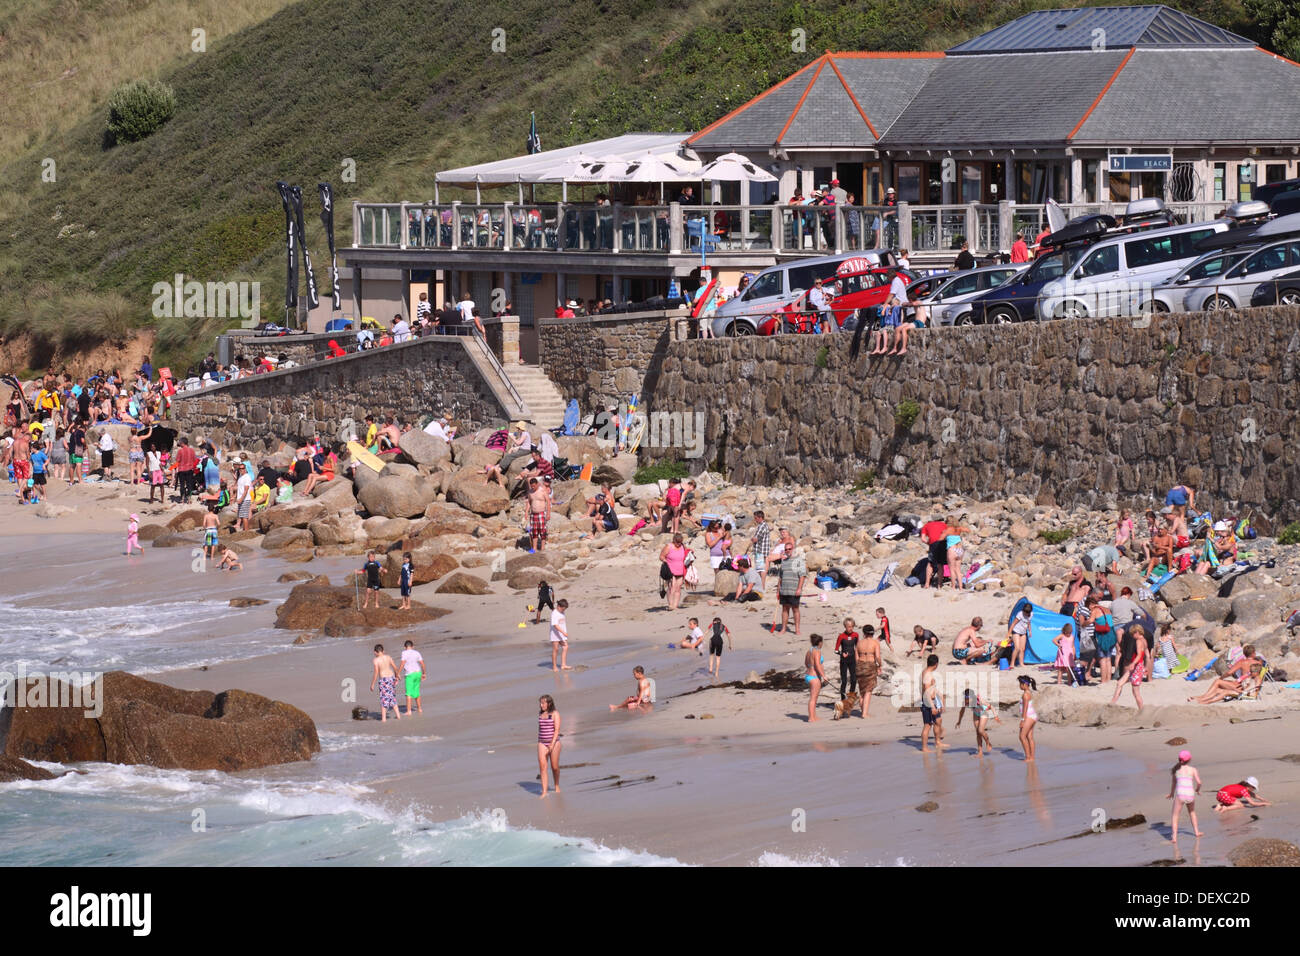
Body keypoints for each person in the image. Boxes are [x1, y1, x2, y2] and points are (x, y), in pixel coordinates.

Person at [1167, 750, 1203, 841]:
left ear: (1179, 759)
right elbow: (1199, 782)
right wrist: (1197, 790)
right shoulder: (1193, 769)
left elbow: (1174, 783)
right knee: (1192, 812)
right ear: (1189, 759)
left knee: (1175, 815)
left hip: (1180, 794)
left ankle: (1174, 836)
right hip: (1190, 794)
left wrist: (1171, 793)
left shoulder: (1176, 770)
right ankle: (1196, 832)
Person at [956, 687, 1001, 757]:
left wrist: (996, 716)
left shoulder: (979, 700)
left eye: (967, 699)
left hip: (983, 713)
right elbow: (961, 712)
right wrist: (959, 721)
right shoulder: (965, 702)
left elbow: (991, 706)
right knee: (978, 733)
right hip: (976, 714)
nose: (966, 701)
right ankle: (980, 752)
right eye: (965, 698)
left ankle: (988, 742)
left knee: (981, 730)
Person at [1111, 626, 1148, 708]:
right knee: (1120, 683)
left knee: (1136, 692)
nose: (1132, 636)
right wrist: (1146, 666)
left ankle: (1142, 710)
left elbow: (1139, 655)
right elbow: (1146, 655)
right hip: (1138, 666)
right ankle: (1112, 703)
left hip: (1136, 667)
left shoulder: (1139, 641)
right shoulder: (1144, 640)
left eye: (1133, 634)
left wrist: (1133, 663)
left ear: (1137, 632)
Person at [773, 546, 806, 635]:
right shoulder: (783, 562)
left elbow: (802, 576)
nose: (788, 551)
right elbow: (780, 577)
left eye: (789, 549)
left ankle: (797, 629)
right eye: (786, 549)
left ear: (793, 549)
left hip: (794, 590)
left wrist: (799, 588)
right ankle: (783, 629)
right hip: (784, 590)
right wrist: (778, 590)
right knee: (784, 609)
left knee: (795, 609)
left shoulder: (798, 560)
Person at [920, 654, 946, 751]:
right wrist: (932, 707)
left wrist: (940, 698)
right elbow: (927, 692)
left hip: (934, 701)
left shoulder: (926, 672)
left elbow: (931, 688)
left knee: (938, 721)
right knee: (927, 725)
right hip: (928, 703)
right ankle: (924, 747)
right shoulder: (927, 675)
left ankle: (938, 742)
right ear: (936, 664)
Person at [537, 695, 562, 798]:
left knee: (554, 767)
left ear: (549, 703)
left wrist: (552, 744)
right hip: (542, 742)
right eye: (540, 703)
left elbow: (557, 730)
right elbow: (541, 729)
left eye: (543, 703)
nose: (541, 705)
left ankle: (556, 785)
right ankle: (544, 791)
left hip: (554, 742)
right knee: (543, 767)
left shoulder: (555, 713)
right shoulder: (540, 713)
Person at [370, 644, 402, 722]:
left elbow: (376, 672)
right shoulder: (388, 657)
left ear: (375, 652)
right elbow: (395, 667)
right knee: (392, 697)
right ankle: (398, 716)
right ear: (383, 651)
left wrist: (373, 684)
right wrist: (397, 676)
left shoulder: (376, 660)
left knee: (384, 699)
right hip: (391, 678)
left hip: (384, 680)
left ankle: (384, 719)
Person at [855, 625, 882, 717]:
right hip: (870, 666)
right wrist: (880, 665)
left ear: (864, 633)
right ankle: (864, 713)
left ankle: (863, 711)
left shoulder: (859, 643)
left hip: (860, 666)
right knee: (868, 690)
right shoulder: (875, 643)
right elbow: (877, 656)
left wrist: (859, 666)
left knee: (862, 690)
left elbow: (856, 658)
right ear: (873, 633)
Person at [660, 533, 690, 611]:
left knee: (678, 588)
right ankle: (671, 605)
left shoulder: (683, 546)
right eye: (677, 542)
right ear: (674, 540)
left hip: (680, 570)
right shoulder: (669, 546)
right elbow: (661, 556)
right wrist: (666, 561)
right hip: (670, 571)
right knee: (671, 588)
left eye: (680, 542)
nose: (678, 544)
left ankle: (675, 605)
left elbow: (687, 554)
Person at [920, 516, 949, 588]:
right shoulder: (944, 525)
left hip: (933, 544)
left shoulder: (926, 526)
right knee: (940, 564)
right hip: (943, 543)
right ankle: (940, 584)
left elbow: (923, 539)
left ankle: (927, 584)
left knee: (930, 564)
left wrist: (929, 543)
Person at [834, 618, 859, 701]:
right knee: (844, 681)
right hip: (844, 661)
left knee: (854, 680)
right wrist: (842, 653)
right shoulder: (841, 636)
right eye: (848, 626)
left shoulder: (856, 635)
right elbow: (836, 650)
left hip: (852, 660)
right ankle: (843, 699)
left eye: (852, 626)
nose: (850, 628)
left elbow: (857, 647)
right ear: (845, 626)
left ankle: (851, 697)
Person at [525, 476, 551, 553]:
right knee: (534, 532)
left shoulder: (542, 491)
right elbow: (529, 503)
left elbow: (548, 502)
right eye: (531, 486)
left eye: (534, 486)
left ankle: (542, 548)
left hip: (541, 513)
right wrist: (526, 512)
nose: (533, 487)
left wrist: (548, 514)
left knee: (542, 531)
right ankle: (534, 548)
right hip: (533, 514)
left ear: (537, 484)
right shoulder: (530, 492)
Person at [804, 634, 826, 722]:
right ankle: (811, 717)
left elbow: (806, 663)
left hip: (808, 676)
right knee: (813, 698)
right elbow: (817, 665)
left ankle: (813, 716)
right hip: (814, 677)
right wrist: (823, 676)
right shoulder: (817, 651)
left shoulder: (809, 651)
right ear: (820, 642)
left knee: (813, 697)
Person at [399, 639, 424, 715]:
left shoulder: (404, 653)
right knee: (416, 691)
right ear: (412, 646)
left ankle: (409, 711)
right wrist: (424, 673)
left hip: (410, 674)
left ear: (405, 647)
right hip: (418, 673)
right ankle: (419, 709)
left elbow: (403, 663)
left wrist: (398, 673)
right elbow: (422, 664)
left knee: (408, 693)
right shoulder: (417, 653)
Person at [1017, 675, 1038, 761]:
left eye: (1020, 684)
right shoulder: (1029, 692)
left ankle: (1028, 757)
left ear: (1024, 685)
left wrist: (1022, 720)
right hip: (1033, 716)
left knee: (1022, 736)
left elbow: (1025, 708)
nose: (1019, 686)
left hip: (1028, 716)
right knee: (1029, 737)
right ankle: (1032, 757)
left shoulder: (1025, 694)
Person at [549, 598, 571, 671]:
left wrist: (564, 632)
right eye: (563, 609)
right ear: (558, 606)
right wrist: (563, 632)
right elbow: (555, 625)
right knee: (556, 649)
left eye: (564, 609)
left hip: (561, 634)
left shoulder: (562, 612)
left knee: (565, 647)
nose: (563, 610)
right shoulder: (554, 613)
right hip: (555, 634)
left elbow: (562, 624)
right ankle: (554, 666)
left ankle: (563, 665)